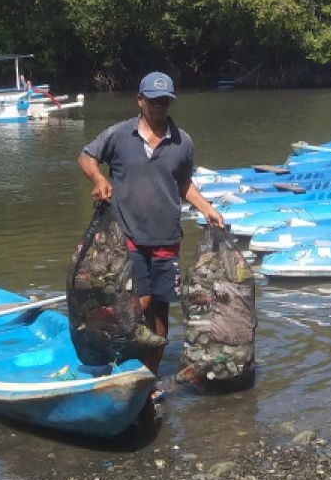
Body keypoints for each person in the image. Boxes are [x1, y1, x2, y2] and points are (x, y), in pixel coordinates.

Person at [78, 71, 224, 379]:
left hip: (166, 239)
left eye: (165, 101)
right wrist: (99, 178)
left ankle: (151, 378)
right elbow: (86, 157)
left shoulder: (183, 142)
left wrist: (206, 208)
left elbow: (184, 184)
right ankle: (117, 354)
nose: (160, 107)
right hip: (126, 236)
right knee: (137, 300)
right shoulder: (119, 135)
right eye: (154, 101)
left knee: (160, 307)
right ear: (140, 100)